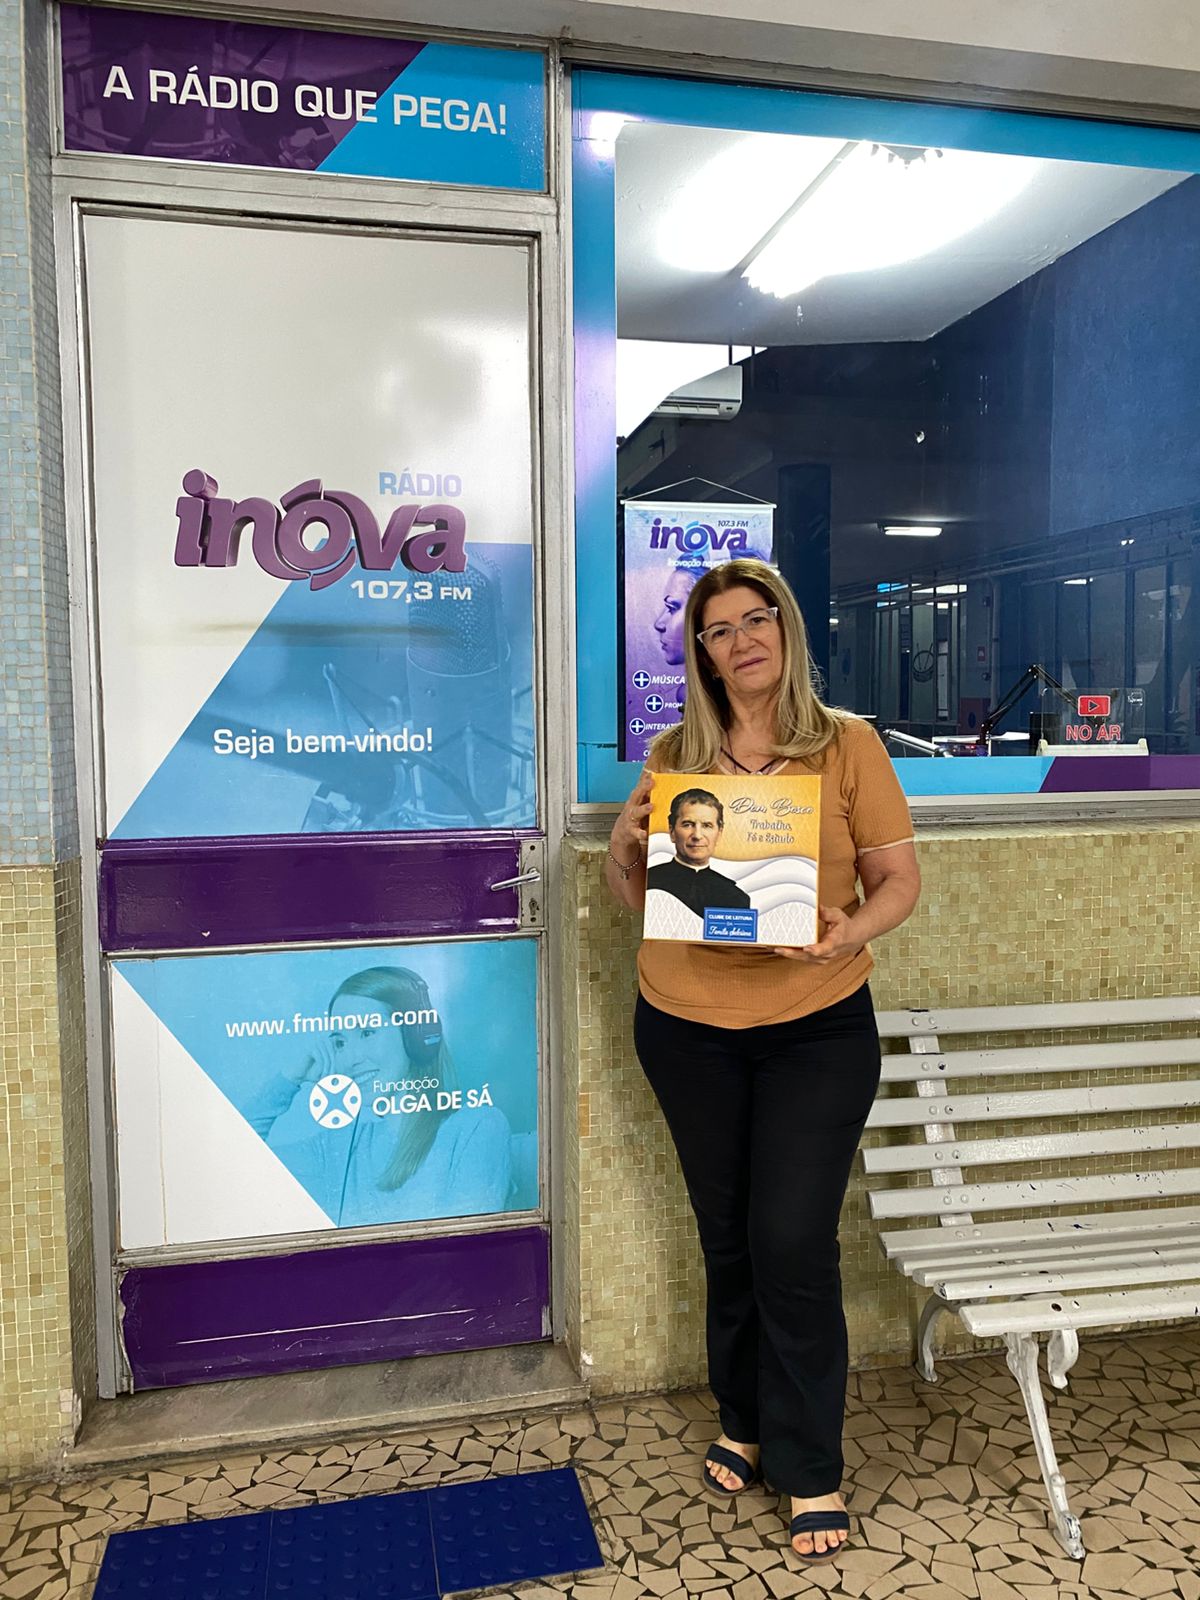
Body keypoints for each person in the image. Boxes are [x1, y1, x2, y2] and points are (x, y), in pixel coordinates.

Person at [606, 558, 920, 1565]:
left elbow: (898, 882)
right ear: (700, 652)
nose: (741, 641)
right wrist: (625, 844)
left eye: (757, 620)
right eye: (719, 629)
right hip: (685, 1026)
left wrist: (844, 932)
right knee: (729, 1237)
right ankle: (742, 1418)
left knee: (791, 1240)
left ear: (785, 629)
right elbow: (638, 897)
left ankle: (809, 1459)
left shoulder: (847, 745)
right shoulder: (675, 755)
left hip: (815, 1027)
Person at [246, 965, 514, 1226]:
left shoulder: (477, 1128)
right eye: (340, 1043)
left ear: (416, 1037)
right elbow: (239, 1156)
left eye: (367, 1032)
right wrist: (290, 1078)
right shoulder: (337, 1148)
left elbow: (468, 1246)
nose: (350, 1060)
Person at [645, 787, 752, 914]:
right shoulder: (648, 882)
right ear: (672, 831)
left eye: (707, 825)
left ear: (719, 833)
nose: (697, 835)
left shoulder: (736, 898)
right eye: (688, 825)